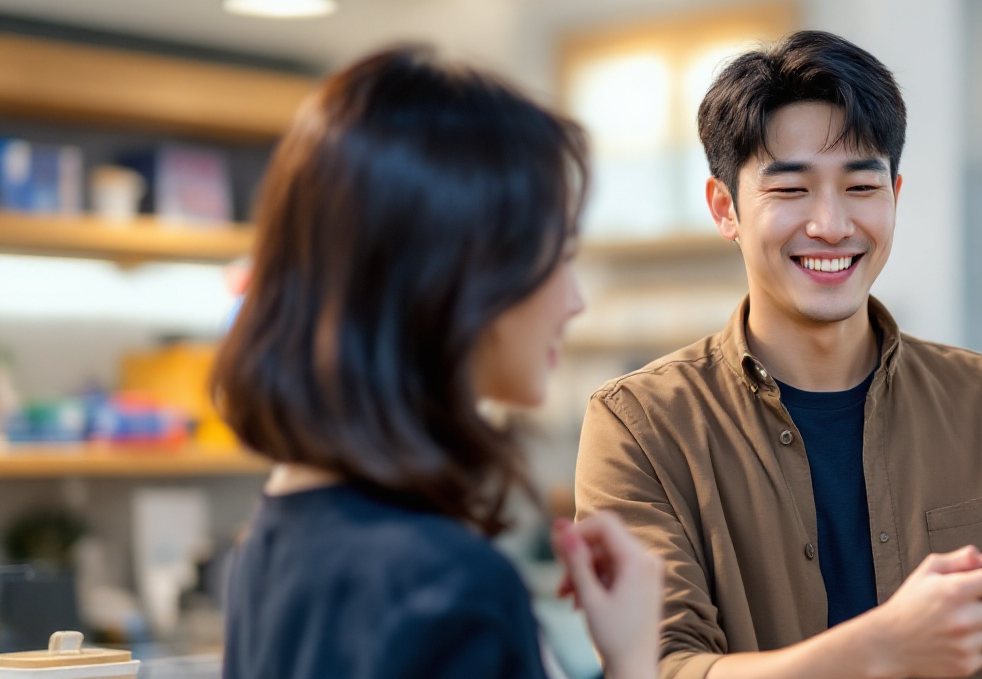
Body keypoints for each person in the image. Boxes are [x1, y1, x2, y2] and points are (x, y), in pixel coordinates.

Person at [574, 30, 982, 679]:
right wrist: (883, 646)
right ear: (725, 208)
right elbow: (657, 666)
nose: (832, 225)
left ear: (895, 193)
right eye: (791, 190)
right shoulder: (640, 424)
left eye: (862, 187)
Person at [215, 46, 661, 679]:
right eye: (559, 257)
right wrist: (634, 660)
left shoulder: (269, 540)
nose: (575, 301)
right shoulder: (451, 589)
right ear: (461, 275)